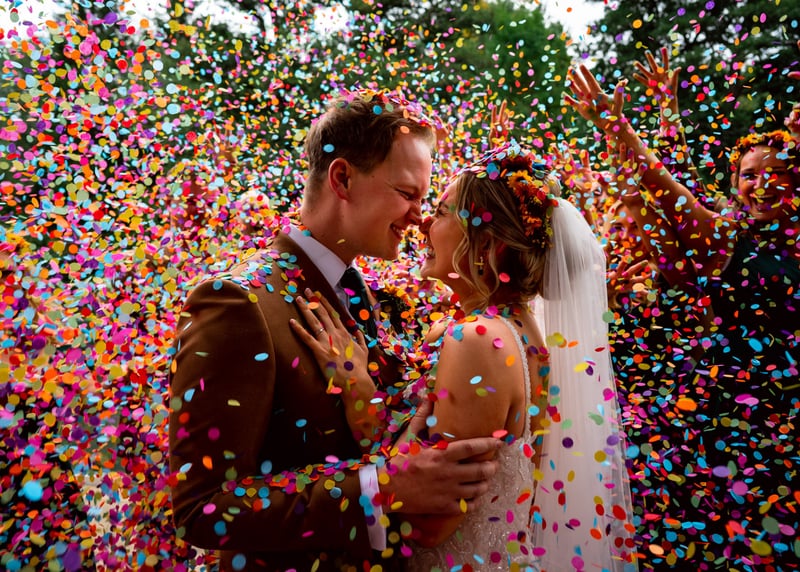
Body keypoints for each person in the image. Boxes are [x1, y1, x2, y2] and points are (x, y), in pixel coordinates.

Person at [168, 89, 503, 572]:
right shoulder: (237, 302)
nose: (419, 216)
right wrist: (381, 488)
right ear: (343, 178)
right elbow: (201, 510)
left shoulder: (375, 298)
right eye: (407, 194)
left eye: (424, 199)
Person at [292, 141, 639, 570]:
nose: (423, 223)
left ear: (487, 243)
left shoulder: (480, 340)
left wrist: (358, 392)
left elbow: (427, 524)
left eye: (441, 212)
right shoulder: (516, 328)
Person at [567, 64, 800, 570]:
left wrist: (654, 116)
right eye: (749, 175)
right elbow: (672, 194)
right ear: (735, 184)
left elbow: (674, 190)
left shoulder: (783, 244)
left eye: (778, 172)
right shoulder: (728, 240)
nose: (763, 184)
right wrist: (621, 132)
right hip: (733, 420)